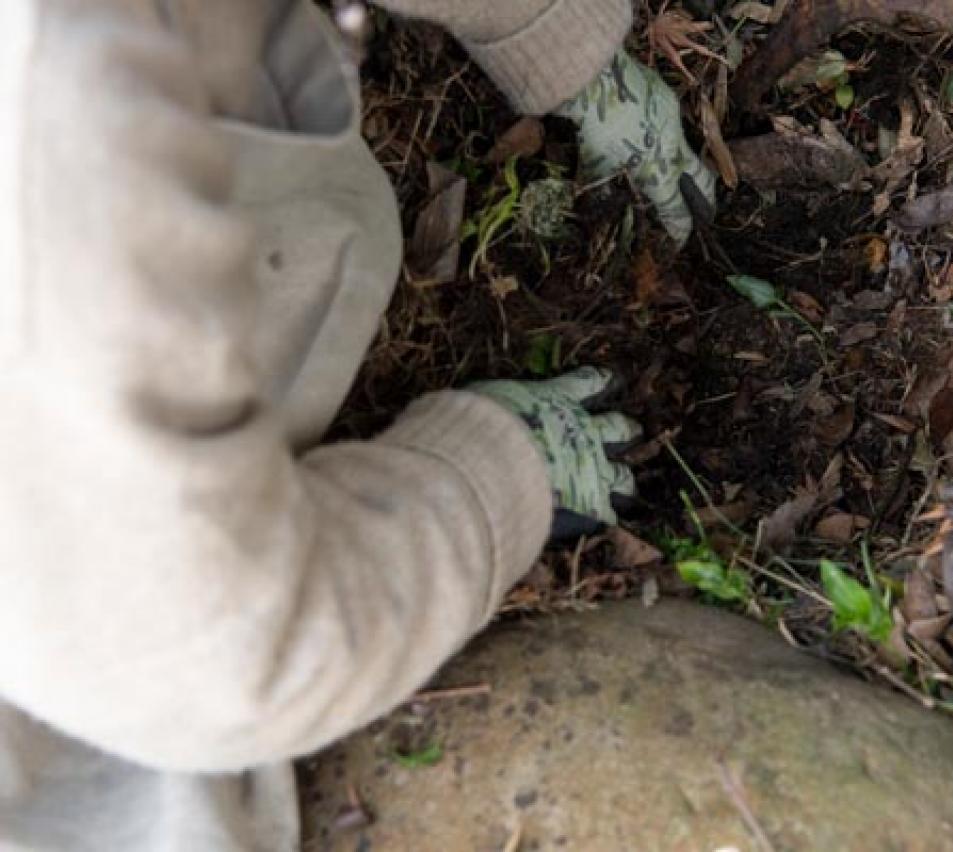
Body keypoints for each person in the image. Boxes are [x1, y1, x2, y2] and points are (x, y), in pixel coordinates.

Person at [0, 1, 715, 849]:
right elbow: (223, 661)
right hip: (82, 608)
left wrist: (549, 34)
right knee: (128, 792)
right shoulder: (56, 201)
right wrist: (483, 483)